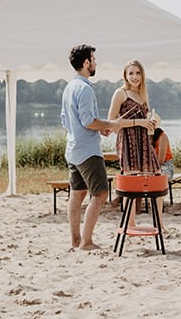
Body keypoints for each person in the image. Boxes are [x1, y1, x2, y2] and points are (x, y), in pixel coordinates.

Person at [61, 44, 121, 251]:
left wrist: (98, 128)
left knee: (77, 194)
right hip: (88, 151)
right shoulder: (85, 88)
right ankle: (86, 242)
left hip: (73, 149)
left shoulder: (69, 88)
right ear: (86, 63)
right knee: (101, 195)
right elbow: (87, 121)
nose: (95, 63)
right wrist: (110, 125)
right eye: (94, 59)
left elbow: (65, 121)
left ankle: (75, 240)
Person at [107, 59, 161, 228]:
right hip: (128, 141)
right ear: (125, 75)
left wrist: (150, 122)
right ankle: (130, 224)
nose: (135, 76)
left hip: (144, 142)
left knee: (157, 179)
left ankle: (159, 224)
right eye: (131, 73)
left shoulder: (143, 95)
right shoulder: (120, 93)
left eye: (138, 73)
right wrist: (138, 122)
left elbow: (143, 121)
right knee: (130, 184)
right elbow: (111, 122)